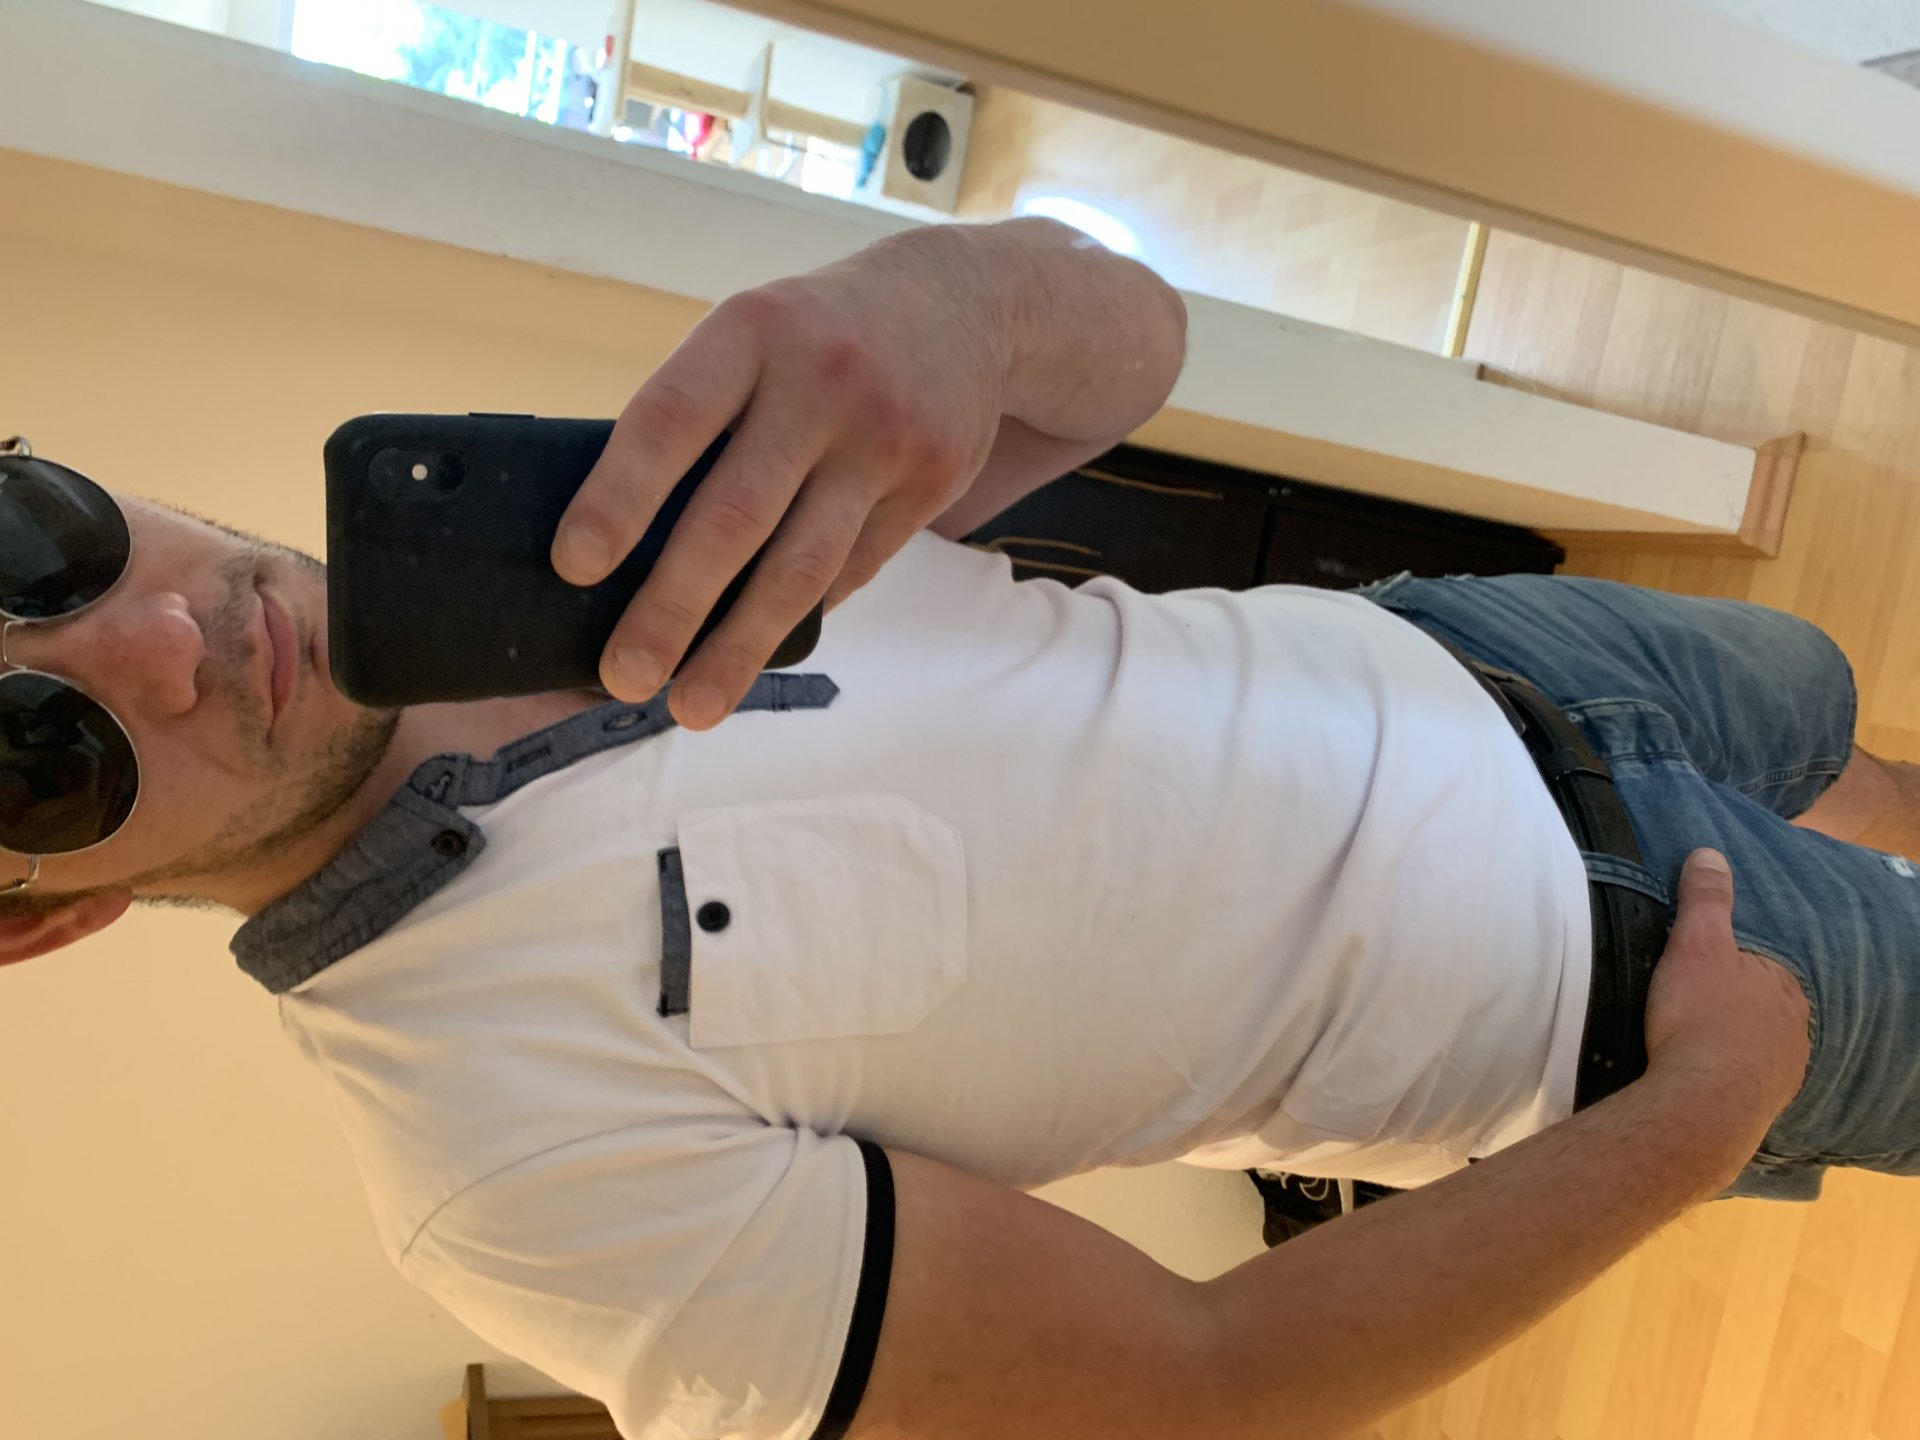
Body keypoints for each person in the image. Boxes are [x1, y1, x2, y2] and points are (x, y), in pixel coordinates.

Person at [3, 214, 1904, 1440]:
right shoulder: (502, 1178)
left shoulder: (571, 515)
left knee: (1836, 721)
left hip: (1469, 646)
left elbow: (1137, 343)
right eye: (28, 752)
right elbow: (1199, 1393)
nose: (162, 641)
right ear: (34, 919)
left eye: (31, 545)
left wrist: (963, 297)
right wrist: (1698, 1114)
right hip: (1631, 985)